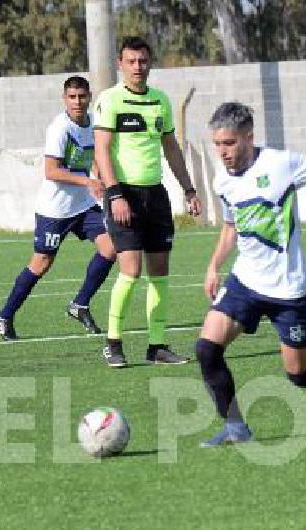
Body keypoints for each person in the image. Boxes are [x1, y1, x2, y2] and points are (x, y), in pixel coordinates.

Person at [195, 102, 306, 446]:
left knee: (300, 374)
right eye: (218, 144)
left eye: (230, 143)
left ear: (249, 137)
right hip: (245, 282)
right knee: (206, 349)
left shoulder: (281, 164)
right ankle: (236, 428)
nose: (223, 152)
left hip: (289, 289)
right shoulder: (222, 180)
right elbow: (231, 226)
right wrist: (213, 265)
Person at [93, 36, 201, 368]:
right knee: (131, 270)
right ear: (120, 64)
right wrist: (115, 195)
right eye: (131, 61)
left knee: (160, 272)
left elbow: (171, 148)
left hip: (156, 196)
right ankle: (113, 342)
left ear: (150, 62)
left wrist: (189, 189)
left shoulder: (161, 101)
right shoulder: (109, 100)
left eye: (142, 61)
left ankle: (157, 346)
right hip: (123, 193)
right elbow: (101, 151)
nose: (138, 67)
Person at [0, 76, 116, 340]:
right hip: (55, 210)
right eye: (72, 97)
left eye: (81, 96)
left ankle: (80, 304)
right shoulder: (59, 128)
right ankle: (4, 316)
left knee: (110, 248)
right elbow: (50, 171)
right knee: (41, 263)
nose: (77, 102)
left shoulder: (94, 122)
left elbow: (95, 156)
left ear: (89, 96)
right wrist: (87, 180)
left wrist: (100, 177)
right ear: (64, 99)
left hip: (82, 205)